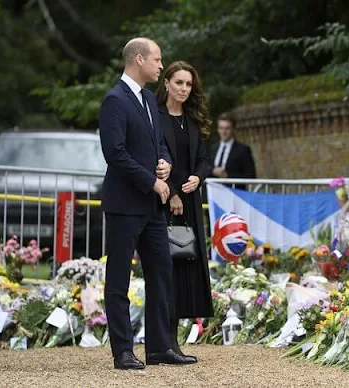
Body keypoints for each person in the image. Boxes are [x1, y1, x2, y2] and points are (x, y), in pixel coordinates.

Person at [98, 37, 195, 370]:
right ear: (138, 59)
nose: (160, 63)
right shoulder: (114, 100)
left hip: (152, 208)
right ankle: (123, 350)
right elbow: (116, 154)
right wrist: (152, 181)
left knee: (162, 274)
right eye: (156, 59)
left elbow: (160, 145)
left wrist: (165, 164)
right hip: (125, 204)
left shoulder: (149, 101)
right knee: (119, 279)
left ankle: (159, 348)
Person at [155, 61, 213, 361]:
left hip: (190, 203)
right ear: (166, 83)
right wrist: (174, 192)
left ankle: (172, 342)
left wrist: (198, 177)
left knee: (187, 267)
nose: (184, 89)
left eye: (188, 84)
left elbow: (204, 158)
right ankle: (164, 344)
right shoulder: (155, 115)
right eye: (179, 82)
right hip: (164, 203)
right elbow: (156, 157)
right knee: (168, 270)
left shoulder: (190, 118)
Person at [209, 112, 256, 190]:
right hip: (214, 194)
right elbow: (206, 168)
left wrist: (228, 176)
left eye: (227, 128)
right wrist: (213, 171)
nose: (224, 132)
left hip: (235, 194)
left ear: (233, 129)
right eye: (221, 128)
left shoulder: (243, 150)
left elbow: (250, 176)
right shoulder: (213, 148)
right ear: (218, 130)